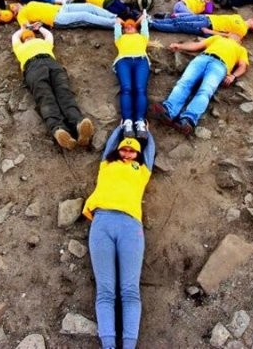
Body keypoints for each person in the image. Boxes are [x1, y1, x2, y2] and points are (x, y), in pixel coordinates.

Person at [83, 128, 155, 349]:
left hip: (131, 226)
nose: (127, 152)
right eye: (124, 149)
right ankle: (109, 345)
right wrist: (122, 127)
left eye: (132, 151)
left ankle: (129, 345)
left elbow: (150, 149)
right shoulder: (107, 164)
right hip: (101, 222)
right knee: (105, 291)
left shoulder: (142, 170)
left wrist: (147, 133)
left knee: (129, 290)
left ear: (138, 155)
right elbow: (111, 144)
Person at [11, 26, 94, 149]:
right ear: (23, 39)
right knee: (45, 98)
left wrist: (39, 27)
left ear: (34, 36)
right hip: (32, 66)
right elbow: (15, 37)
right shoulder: (19, 46)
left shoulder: (44, 42)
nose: (28, 37)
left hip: (51, 63)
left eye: (30, 35)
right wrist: (22, 29)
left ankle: (79, 125)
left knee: (64, 93)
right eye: (25, 36)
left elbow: (49, 35)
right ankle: (59, 130)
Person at [150, 33, 249, 134]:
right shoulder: (217, 38)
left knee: (205, 91)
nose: (235, 35)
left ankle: (188, 120)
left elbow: (243, 66)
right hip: (202, 58)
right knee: (184, 82)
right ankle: (168, 111)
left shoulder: (241, 50)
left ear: (240, 41)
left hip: (220, 65)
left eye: (238, 36)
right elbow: (198, 45)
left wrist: (233, 76)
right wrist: (180, 46)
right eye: (233, 33)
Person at [113, 14, 150, 140]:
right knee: (127, 88)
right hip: (123, 61)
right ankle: (127, 122)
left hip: (141, 61)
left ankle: (140, 122)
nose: (128, 27)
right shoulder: (119, 38)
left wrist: (136, 23)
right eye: (126, 27)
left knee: (140, 89)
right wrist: (125, 24)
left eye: (132, 26)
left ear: (137, 28)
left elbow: (144, 18)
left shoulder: (143, 36)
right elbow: (117, 20)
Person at [15, 1, 116, 29]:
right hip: (56, 18)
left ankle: (113, 16)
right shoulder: (20, 15)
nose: (14, 6)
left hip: (62, 8)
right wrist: (33, 26)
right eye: (12, 8)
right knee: (84, 16)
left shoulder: (29, 3)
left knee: (88, 6)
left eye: (14, 5)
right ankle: (114, 23)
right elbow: (26, 27)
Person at [149, 13, 253, 38]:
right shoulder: (239, 16)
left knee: (179, 25)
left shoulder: (243, 31)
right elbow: (222, 17)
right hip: (206, 18)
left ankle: (152, 24)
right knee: (179, 20)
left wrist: (210, 32)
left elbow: (228, 35)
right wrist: (205, 14)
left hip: (209, 26)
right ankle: (154, 22)